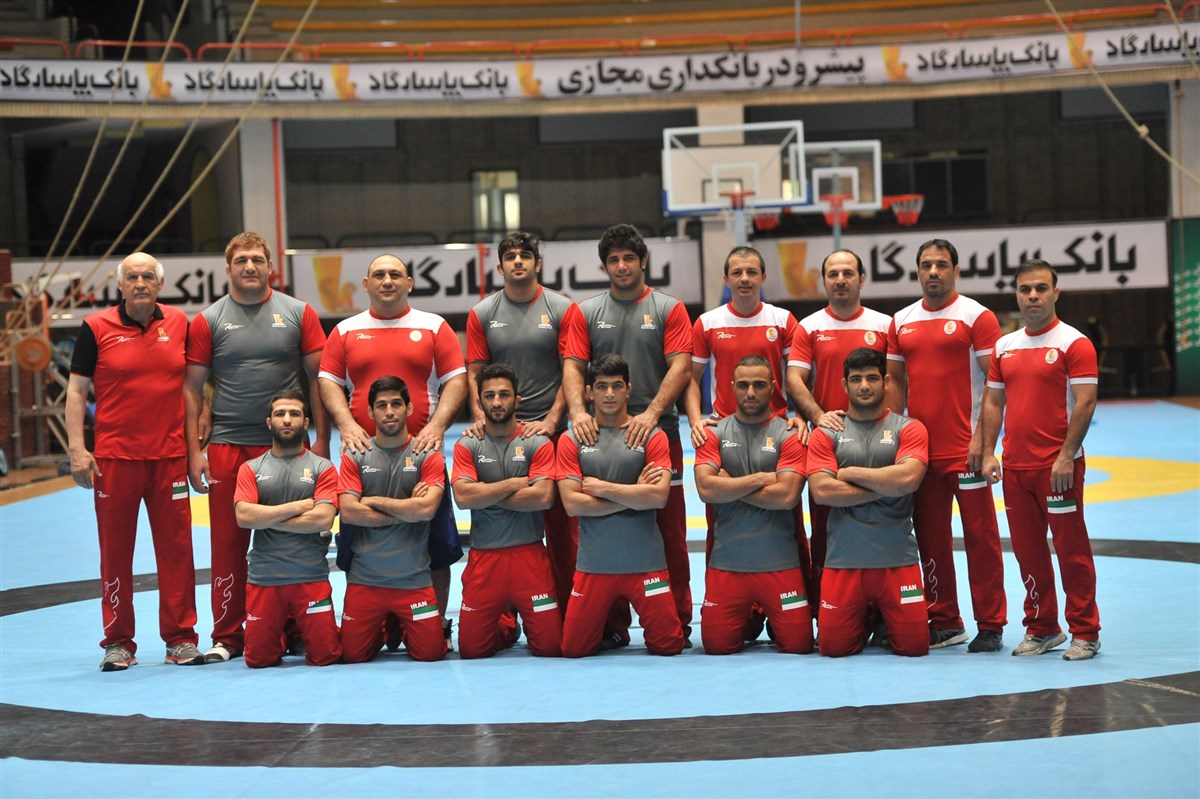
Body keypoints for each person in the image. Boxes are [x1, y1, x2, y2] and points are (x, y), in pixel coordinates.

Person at [185, 231, 330, 664]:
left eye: (257, 259)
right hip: (228, 445)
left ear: (271, 267)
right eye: (241, 260)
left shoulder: (299, 313)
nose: (249, 266)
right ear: (228, 268)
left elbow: (319, 380)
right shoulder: (208, 320)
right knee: (228, 544)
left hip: (288, 448)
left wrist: (323, 440)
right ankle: (228, 635)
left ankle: (295, 628)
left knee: (295, 536)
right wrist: (193, 452)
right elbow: (192, 388)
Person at [66, 252, 205, 671]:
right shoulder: (95, 327)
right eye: (132, 277)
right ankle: (118, 641)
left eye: (147, 276)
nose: (140, 282)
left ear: (160, 284)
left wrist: (195, 451)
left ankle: (181, 639)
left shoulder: (180, 323)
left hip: (169, 459)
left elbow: (193, 389)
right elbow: (76, 392)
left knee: (178, 552)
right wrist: (77, 448)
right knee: (115, 553)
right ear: (120, 285)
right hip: (114, 461)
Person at [318, 254, 467, 645]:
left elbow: (456, 379)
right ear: (366, 284)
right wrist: (346, 425)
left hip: (421, 455)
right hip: (362, 458)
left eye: (395, 274)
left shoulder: (434, 326)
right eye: (379, 275)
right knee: (357, 545)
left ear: (409, 283)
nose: (387, 281)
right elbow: (328, 381)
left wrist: (436, 426)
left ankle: (436, 621)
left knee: (436, 547)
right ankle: (374, 620)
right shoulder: (345, 330)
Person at [562, 224, 694, 643]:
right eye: (614, 260)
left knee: (670, 531)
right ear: (604, 266)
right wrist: (577, 412)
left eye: (629, 258)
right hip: (602, 436)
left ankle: (678, 619)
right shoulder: (585, 312)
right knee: (602, 524)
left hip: (658, 433)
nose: (622, 266)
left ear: (643, 261)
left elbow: (681, 366)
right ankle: (612, 625)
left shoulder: (668, 308)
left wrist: (652, 414)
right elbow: (573, 366)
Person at [885, 238, 1007, 653]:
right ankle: (945, 621)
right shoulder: (901, 320)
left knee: (981, 539)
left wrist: (983, 441)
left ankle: (990, 623)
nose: (933, 271)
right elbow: (895, 383)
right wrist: (894, 440)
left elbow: (996, 384)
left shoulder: (977, 317)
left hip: (966, 451)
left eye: (941, 264)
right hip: (920, 455)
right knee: (930, 538)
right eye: (926, 265)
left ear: (956, 270)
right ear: (917, 271)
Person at [980, 260, 1101, 660]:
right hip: (1016, 470)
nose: (1033, 295)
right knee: (1028, 551)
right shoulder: (1004, 346)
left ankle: (1085, 630)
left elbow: (1085, 403)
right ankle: (1042, 627)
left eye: (1041, 288)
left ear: (1055, 293)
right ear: (1016, 295)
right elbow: (993, 403)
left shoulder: (1074, 343)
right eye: (1025, 289)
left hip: (1058, 470)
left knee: (1071, 550)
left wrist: (1065, 457)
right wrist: (988, 451)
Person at [464, 231, 583, 615]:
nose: (518, 261)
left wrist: (552, 420)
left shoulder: (562, 308)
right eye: (511, 256)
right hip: (500, 435)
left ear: (537, 263)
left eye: (525, 255)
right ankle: (502, 618)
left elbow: (571, 369)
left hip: (549, 434)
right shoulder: (483, 313)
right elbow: (474, 372)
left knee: (562, 531)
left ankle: (565, 613)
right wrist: (480, 418)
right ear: (500, 267)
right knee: (503, 524)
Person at [556, 354, 685, 657]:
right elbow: (572, 504)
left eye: (617, 386)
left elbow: (659, 497)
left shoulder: (652, 436)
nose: (610, 394)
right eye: (602, 386)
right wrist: (634, 494)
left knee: (669, 646)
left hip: (647, 567)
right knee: (573, 649)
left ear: (629, 389)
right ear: (590, 392)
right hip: (594, 568)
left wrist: (602, 489)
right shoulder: (572, 440)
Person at [785, 249, 891, 613]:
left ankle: (880, 612)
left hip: (878, 440)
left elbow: (897, 380)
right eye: (833, 274)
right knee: (825, 528)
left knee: (881, 519)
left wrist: (894, 425)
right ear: (824, 281)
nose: (841, 280)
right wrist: (817, 416)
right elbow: (794, 378)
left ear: (862, 279)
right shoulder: (809, 326)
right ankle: (826, 610)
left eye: (848, 273)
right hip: (829, 444)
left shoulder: (884, 325)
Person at [807, 348, 930, 658]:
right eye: (856, 379)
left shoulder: (909, 428)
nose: (864, 386)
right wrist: (888, 486)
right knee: (833, 648)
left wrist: (849, 473)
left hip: (897, 559)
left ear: (885, 382)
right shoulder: (827, 432)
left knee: (915, 648)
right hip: (844, 561)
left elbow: (909, 479)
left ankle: (879, 615)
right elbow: (822, 491)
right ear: (844, 385)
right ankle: (869, 617)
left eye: (872, 378)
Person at [694, 355, 812, 655]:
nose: (750, 393)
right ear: (732, 387)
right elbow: (706, 489)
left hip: (780, 566)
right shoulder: (713, 433)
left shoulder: (790, 434)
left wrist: (729, 485)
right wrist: (761, 479)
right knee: (716, 646)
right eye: (743, 385)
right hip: (727, 566)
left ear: (773, 387)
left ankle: (769, 615)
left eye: (759, 385)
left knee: (799, 645)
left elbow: (786, 496)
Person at [452, 363, 562, 658]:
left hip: (530, 556)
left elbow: (543, 498)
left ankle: (515, 613)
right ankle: (508, 625)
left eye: (504, 394)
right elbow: (463, 497)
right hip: (484, 558)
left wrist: (484, 494)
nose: (497, 402)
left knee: (550, 646)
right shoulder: (468, 444)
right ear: (479, 402)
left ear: (517, 400)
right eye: (489, 396)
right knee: (471, 650)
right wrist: (515, 483)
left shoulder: (536, 441)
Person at [337, 376, 448, 663]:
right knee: (351, 655)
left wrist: (372, 501)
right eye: (382, 405)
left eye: (396, 404)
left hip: (414, 581)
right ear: (370, 411)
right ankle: (389, 628)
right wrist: (407, 509)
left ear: (409, 408)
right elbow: (349, 512)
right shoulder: (356, 455)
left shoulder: (427, 454)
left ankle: (399, 626)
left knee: (431, 654)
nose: (389, 412)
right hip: (365, 582)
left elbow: (426, 510)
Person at [233, 390, 341, 668]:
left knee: (326, 657)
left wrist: (266, 517)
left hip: (310, 577)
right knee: (258, 660)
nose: (287, 419)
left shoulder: (323, 468)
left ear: (306, 423)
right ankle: (282, 636)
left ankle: (297, 633)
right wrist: (298, 506)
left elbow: (322, 520)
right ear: (269, 422)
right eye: (280, 414)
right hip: (265, 579)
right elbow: (244, 517)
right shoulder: (251, 468)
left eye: (294, 413)